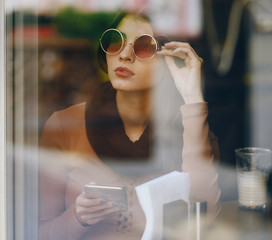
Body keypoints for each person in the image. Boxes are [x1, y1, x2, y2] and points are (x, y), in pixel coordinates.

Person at [39, 12, 221, 240]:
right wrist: (78, 217)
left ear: (168, 60)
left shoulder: (186, 126)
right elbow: (40, 234)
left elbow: (204, 221)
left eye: (144, 47)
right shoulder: (65, 125)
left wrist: (192, 98)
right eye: (116, 42)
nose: (124, 55)